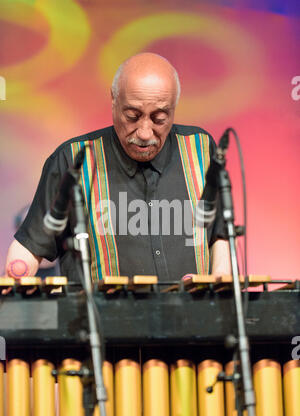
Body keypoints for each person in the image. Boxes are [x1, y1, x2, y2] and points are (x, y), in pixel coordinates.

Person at [4, 53, 231, 283]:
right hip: (99, 318)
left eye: (159, 118)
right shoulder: (71, 160)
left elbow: (220, 235)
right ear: (114, 100)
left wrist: (219, 282)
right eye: (132, 116)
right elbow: (30, 247)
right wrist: (15, 283)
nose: (144, 132)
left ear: (174, 108)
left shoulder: (201, 149)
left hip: (192, 317)